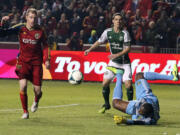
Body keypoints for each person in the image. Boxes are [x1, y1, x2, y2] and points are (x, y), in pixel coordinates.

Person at [0, 8, 50, 119]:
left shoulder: (40, 31)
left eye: (35, 18)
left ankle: (36, 100)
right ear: (26, 17)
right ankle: (25, 112)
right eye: (31, 17)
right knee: (23, 86)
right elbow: (2, 33)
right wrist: (2, 22)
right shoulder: (20, 28)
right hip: (23, 61)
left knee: (38, 91)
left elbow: (46, 46)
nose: (33, 20)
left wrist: (46, 60)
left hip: (36, 63)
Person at [84, 13, 134, 113]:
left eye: (120, 20)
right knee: (105, 83)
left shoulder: (125, 33)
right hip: (113, 63)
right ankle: (106, 104)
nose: (118, 21)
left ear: (122, 21)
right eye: (116, 19)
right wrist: (89, 49)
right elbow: (99, 41)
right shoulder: (107, 32)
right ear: (113, 21)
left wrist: (116, 55)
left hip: (124, 63)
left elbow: (128, 49)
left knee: (128, 85)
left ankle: (131, 105)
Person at [109, 64, 179, 125]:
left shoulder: (148, 120)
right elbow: (137, 119)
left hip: (140, 103)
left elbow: (136, 122)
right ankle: (171, 77)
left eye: (139, 111)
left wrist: (125, 121)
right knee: (139, 75)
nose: (139, 111)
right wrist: (127, 121)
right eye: (140, 109)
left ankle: (119, 74)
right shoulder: (149, 114)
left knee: (115, 103)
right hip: (146, 96)